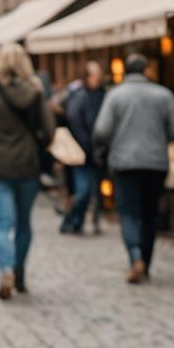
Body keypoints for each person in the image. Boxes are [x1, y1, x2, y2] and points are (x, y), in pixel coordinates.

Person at [0, 43, 55, 300]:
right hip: (27, 164)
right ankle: (20, 272)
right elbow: (48, 133)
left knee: (4, 224)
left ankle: (5, 271)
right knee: (24, 223)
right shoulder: (36, 94)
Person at [93, 53, 174, 283]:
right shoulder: (163, 95)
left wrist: (116, 140)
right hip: (155, 162)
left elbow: (101, 131)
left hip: (124, 163)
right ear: (146, 71)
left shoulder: (115, 95)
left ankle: (135, 257)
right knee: (149, 214)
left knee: (128, 213)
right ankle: (146, 261)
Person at [61, 60, 107, 235]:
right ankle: (72, 220)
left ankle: (88, 221)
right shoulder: (80, 95)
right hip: (81, 151)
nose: (97, 77)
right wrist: (85, 143)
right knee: (83, 191)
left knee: (95, 190)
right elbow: (75, 120)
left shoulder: (104, 94)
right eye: (94, 73)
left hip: (98, 151)